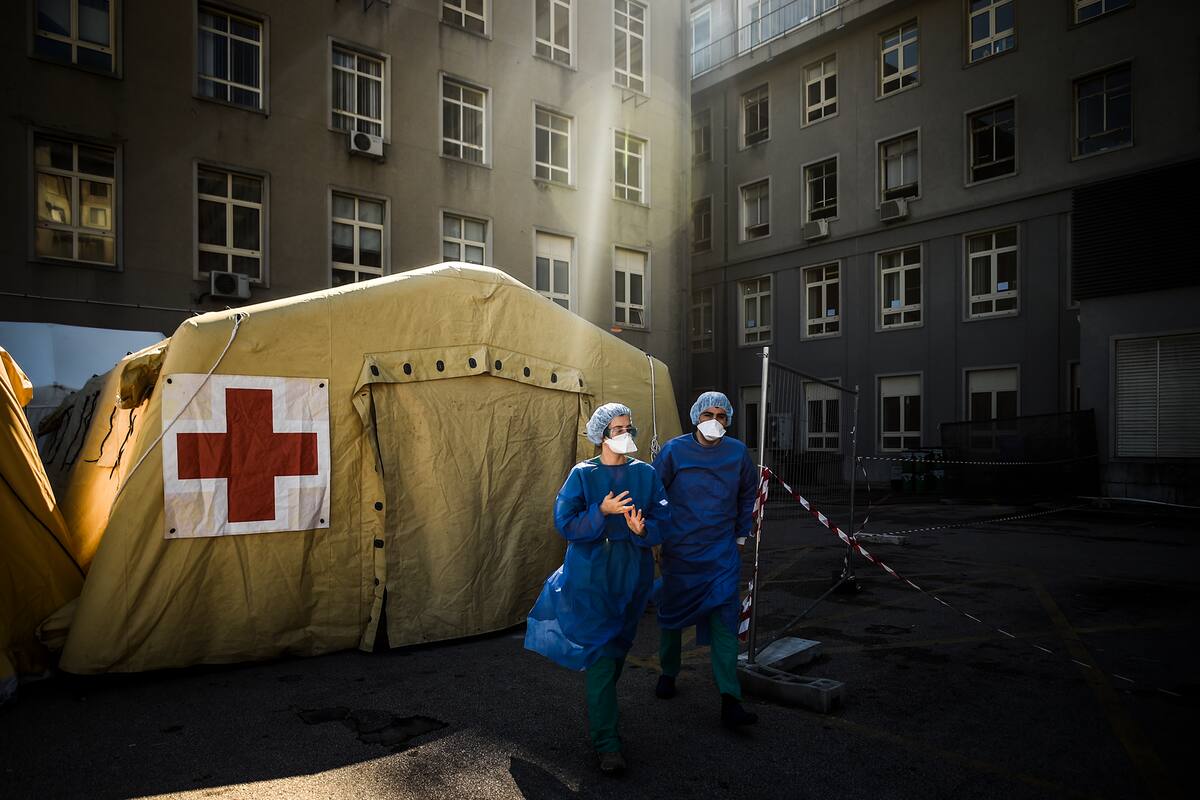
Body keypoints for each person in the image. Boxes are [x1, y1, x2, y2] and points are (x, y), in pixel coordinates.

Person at [525, 402, 670, 775]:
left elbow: (663, 519)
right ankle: (607, 744)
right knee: (603, 657)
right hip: (591, 575)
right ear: (601, 435)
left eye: (629, 428)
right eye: (617, 429)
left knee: (618, 648)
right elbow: (565, 524)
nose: (626, 435)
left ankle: (601, 707)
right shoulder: (582, 475)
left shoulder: (647, 475)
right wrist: (600, 512)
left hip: (633, 574)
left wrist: (644, 531)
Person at [652, 391, 760, 728]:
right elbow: (656, 493)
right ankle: (668, 672)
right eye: (707, 415)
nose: (714, 421)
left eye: (721, 416)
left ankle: (730, 699)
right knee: (671, 617)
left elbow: (747, 495)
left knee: (725, 623)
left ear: (729, 420)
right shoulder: (674, 451)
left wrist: (741, 534)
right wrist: (658, 534)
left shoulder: (738, 453)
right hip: (681, 551)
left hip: (721, 552)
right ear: (695, 417)